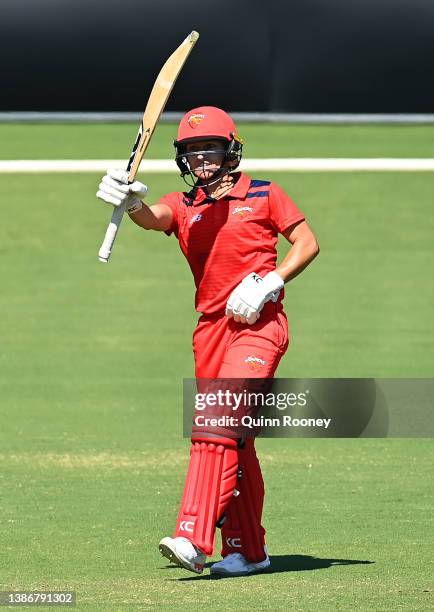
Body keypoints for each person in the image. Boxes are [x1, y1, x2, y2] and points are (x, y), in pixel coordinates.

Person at [96, 106, 319, 576]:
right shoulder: (184, 205)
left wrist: (270, 282)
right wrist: (131, 200)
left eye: (210, 150)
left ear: (230, 151)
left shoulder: (263, 193)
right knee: (236, 442)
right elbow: (155, 218)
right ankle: (248, 551)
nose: (202, 160)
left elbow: (307, 243)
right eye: (193, 152)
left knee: (215, 425)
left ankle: (193, 536)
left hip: (259, 324)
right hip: (210, 331)